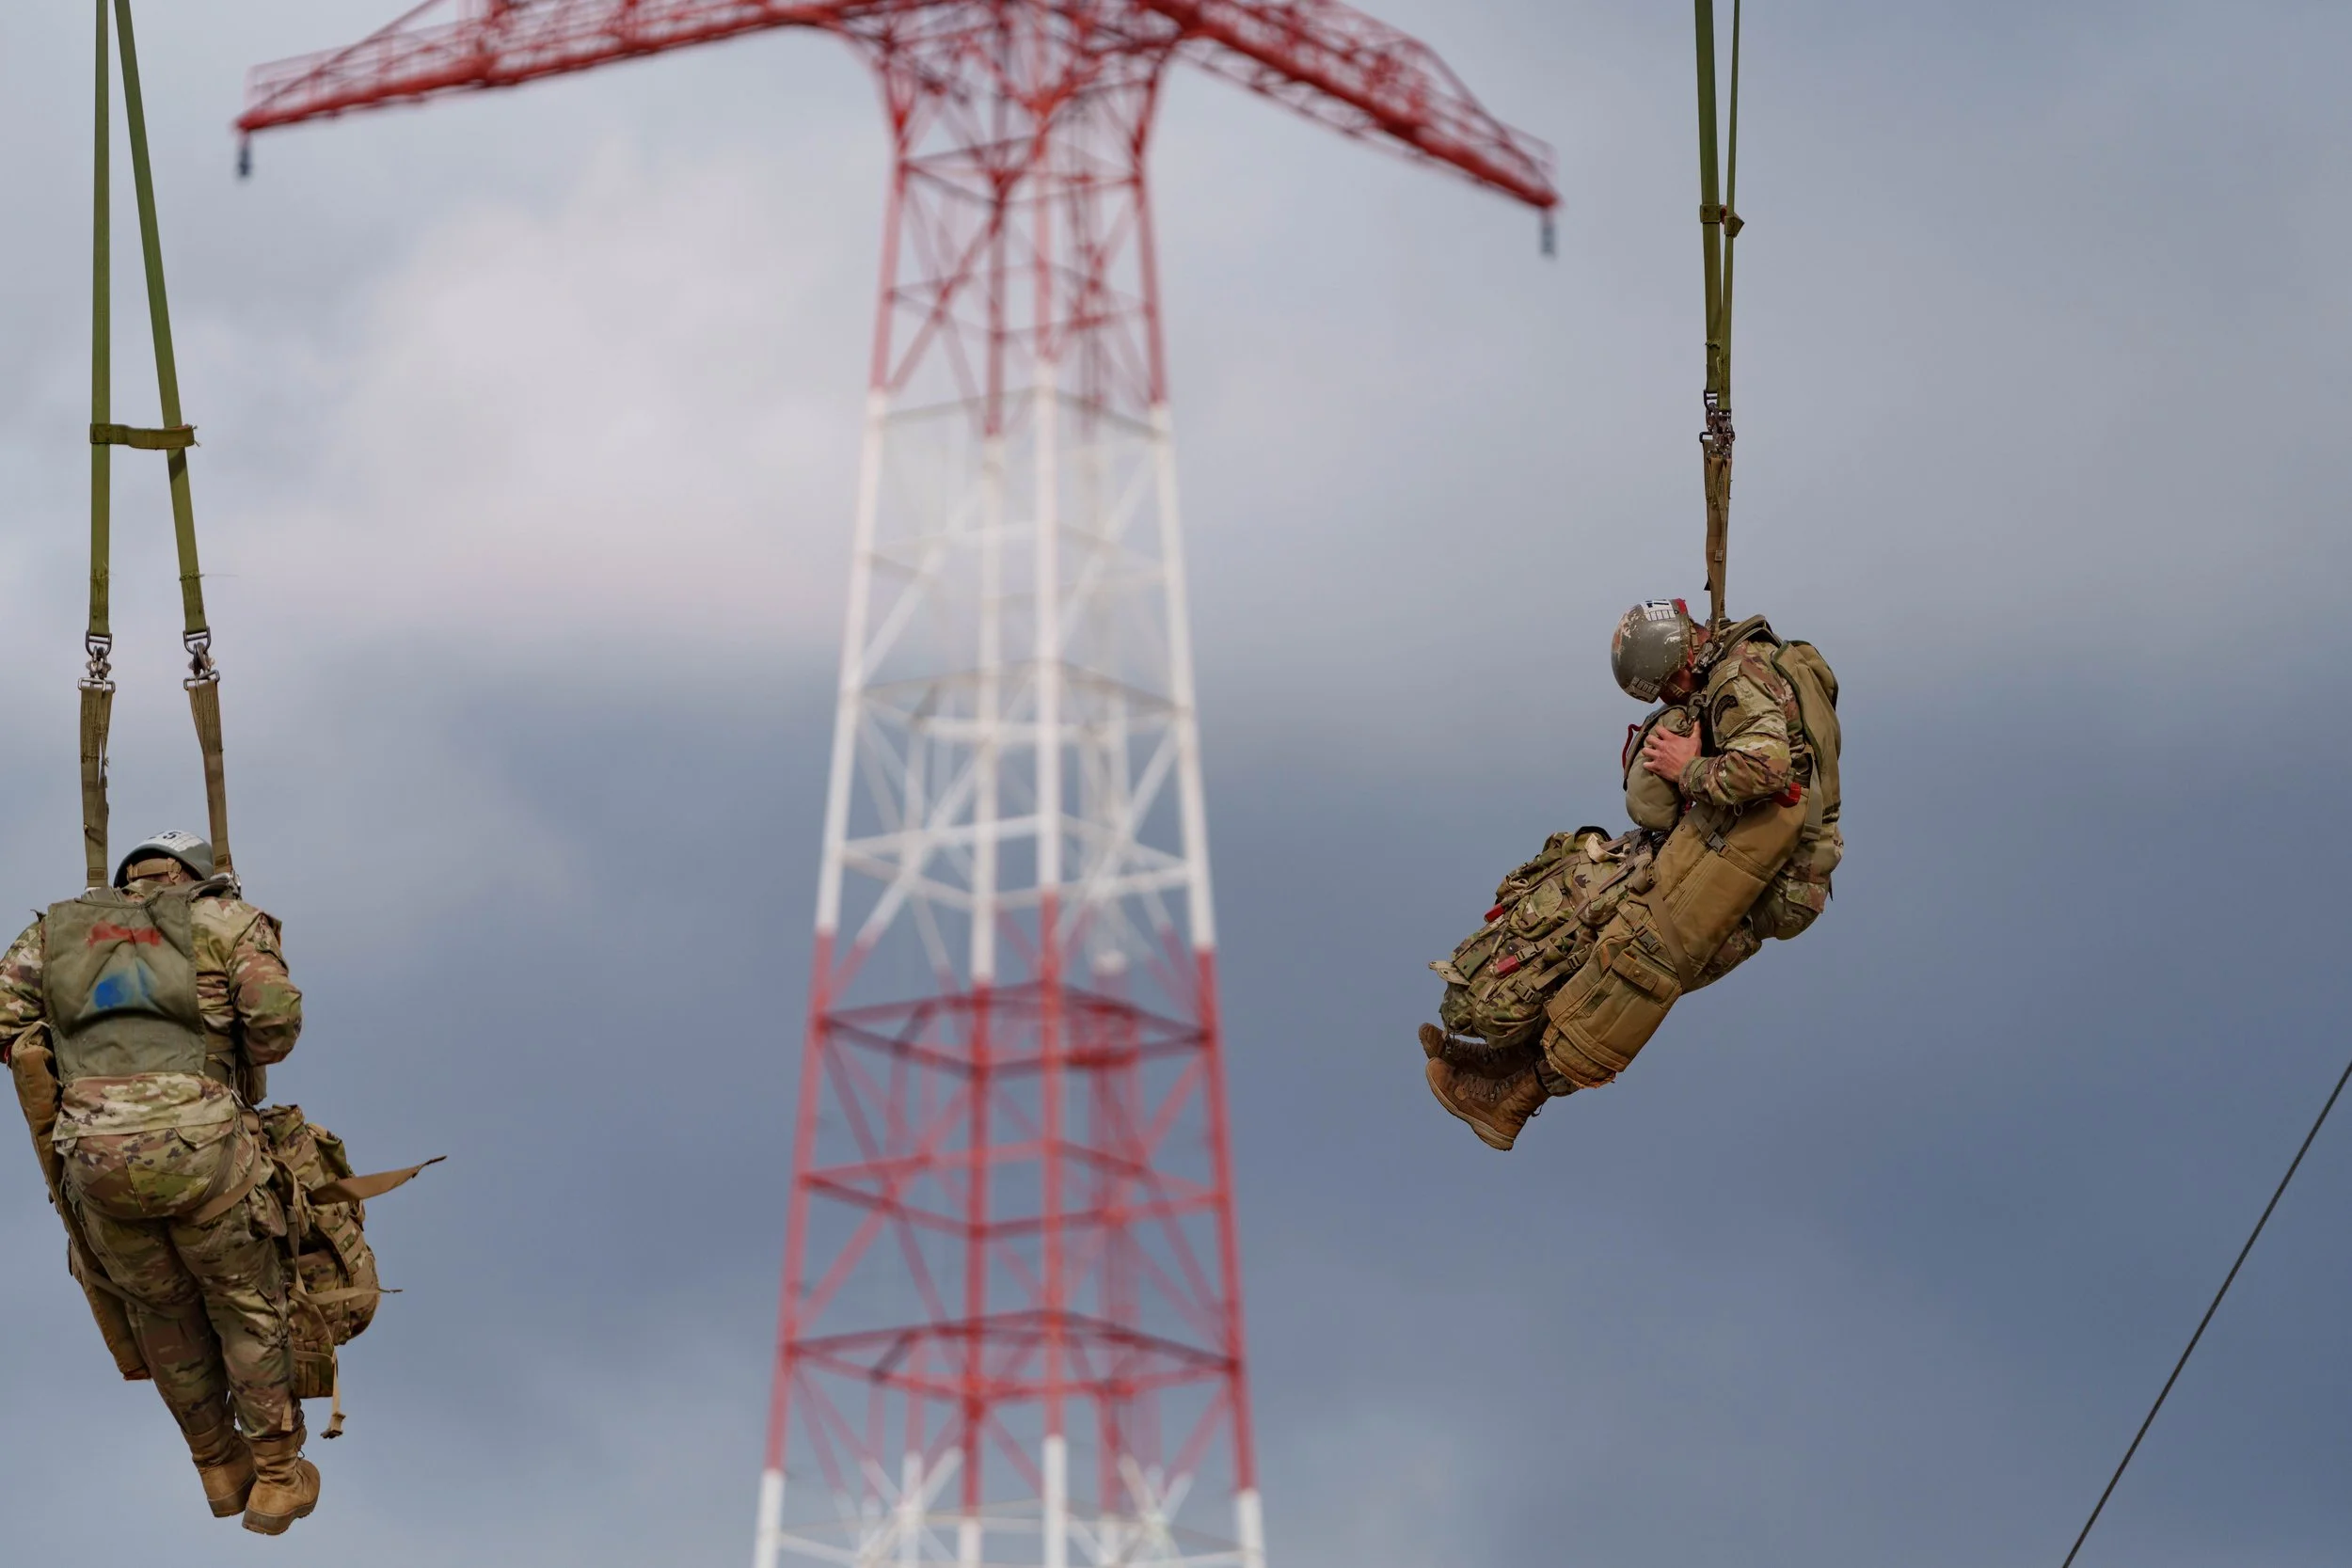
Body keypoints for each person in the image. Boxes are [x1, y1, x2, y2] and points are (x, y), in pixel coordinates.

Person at [1425, 601, 1837, 1150]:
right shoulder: (1751, 658)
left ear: (1678, 667)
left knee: (1635, 969)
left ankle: (1513, 1097)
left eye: (1664, 689)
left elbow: (1766, 768)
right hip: (1744, 850)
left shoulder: (1740, 677)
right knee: (1599, 924)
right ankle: (1508, 1057)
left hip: (1771, 882)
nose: (1669, 702)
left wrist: (1684, 769)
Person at [0, 832, 319, 1533]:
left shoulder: (54, 931)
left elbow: (8, 1024)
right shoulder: (229, 919)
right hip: (206, 1154)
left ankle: (216, 1464)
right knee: (244, 1302)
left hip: (94, 1162)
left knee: (162, 1312)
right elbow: (275, 1026)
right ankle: (275, 1475)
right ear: (199, 875)